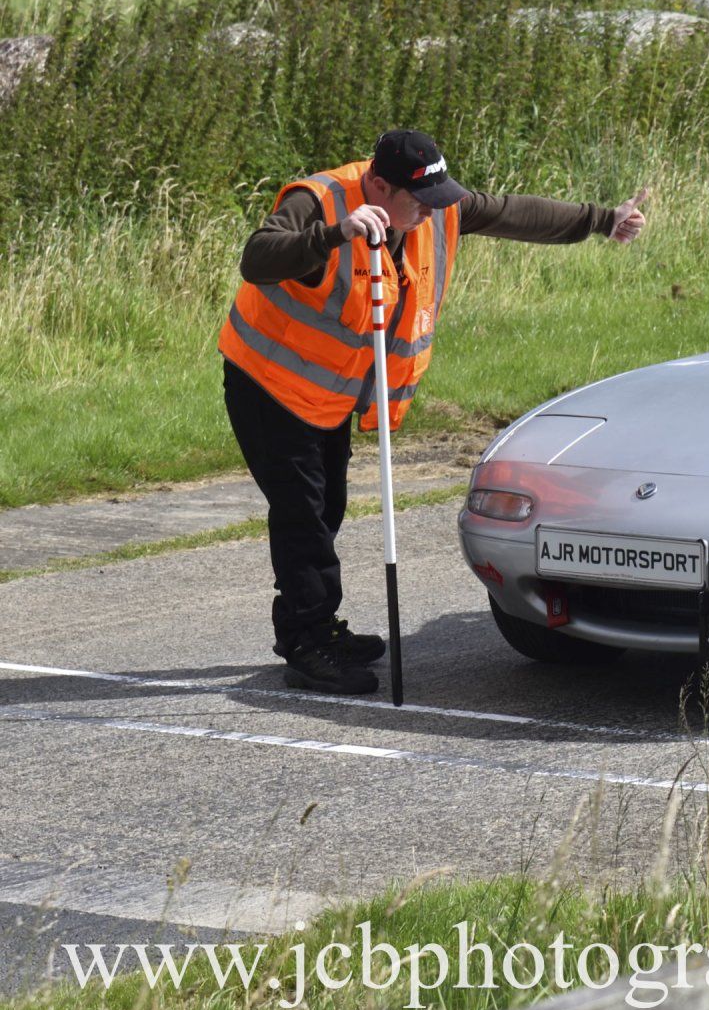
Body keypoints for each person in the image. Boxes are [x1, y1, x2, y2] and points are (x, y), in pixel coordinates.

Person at [218, 129, 650, 695]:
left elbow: (511, 213)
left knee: (328, 509)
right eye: (418, 200)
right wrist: (333, 235)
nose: (431, 211)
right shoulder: (319, 200)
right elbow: (258, 258)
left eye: (437, 198)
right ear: (377, 183)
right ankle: (307, 641)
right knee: (303, 516)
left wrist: (600, 219)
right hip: (268, 383)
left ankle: (318, 624)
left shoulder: (433, 208)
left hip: (330, 395)